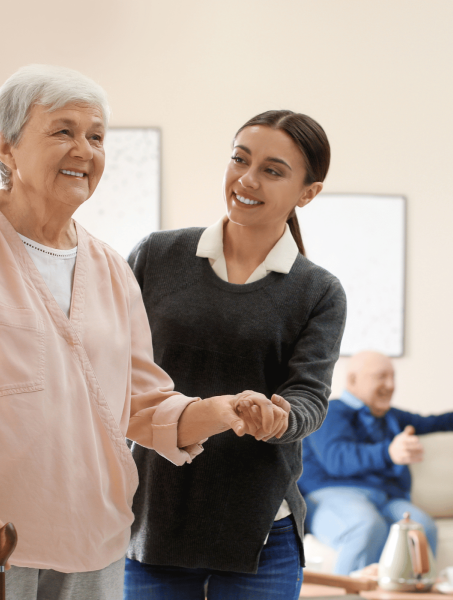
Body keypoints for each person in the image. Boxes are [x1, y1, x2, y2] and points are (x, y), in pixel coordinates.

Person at [0, 65, 288, 600]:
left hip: (92, 544)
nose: (84, 150)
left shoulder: (111, 268)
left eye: (97, 137)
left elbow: (136, 403)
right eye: (63, 131)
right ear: (6, 147)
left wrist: (218, 410)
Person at [123, 110, 347, 600]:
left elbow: (309, 396)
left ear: (307, 193)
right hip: (154, 517)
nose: (246, 179)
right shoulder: (155, 257)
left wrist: (278, 417)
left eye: (272, 169)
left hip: (261, 528)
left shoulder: (318, 291)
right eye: (240, 160)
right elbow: (107, 367)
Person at [300, 350, 453, 575]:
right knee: (367, 526)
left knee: (419, 528)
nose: (390, 385)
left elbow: (434, 422)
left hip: (385, 498)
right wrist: (389, 452)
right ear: (352, 380)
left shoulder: (390, 417)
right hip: (331, 495)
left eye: (393, 377)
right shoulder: (330, 412)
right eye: (381, 376)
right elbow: (337, 459)